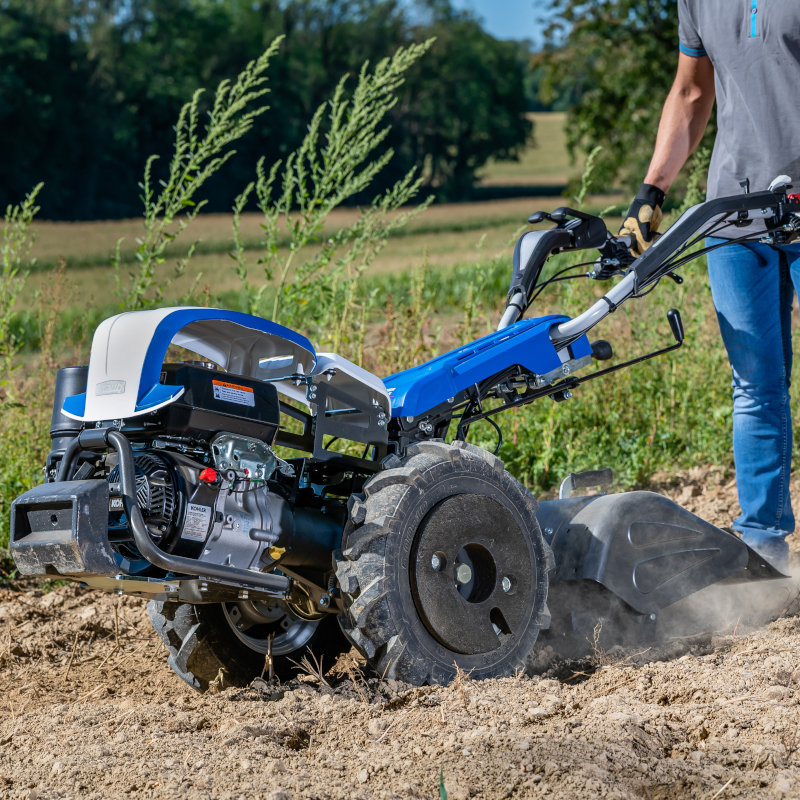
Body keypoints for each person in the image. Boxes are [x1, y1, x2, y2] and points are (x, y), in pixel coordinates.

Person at [621, 1, 800, 570]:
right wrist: (651, 192)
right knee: (754, 383)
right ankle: (763, 548)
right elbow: (692, 92)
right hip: (734, 213)